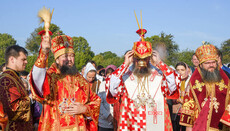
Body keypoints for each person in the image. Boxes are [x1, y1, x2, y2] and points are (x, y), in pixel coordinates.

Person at [106, 28, 180, 130]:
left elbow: (173, 85)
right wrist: (125, 64)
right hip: (131, 123)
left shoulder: (159, 74)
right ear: (133, 58)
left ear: (150, 58)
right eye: (138, 59)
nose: (141, 63)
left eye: (145, 59)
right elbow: (112, 89)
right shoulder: (124, 75)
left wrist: (160, 63)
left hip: (154, 122)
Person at [29, 32, 101, 131]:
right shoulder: (50, 77)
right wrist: (44, 52)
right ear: (57, 60)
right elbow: (37, 78)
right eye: (65, 56)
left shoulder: (81, 80)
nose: (69, 59)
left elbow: (96, 100)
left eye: (72, 56)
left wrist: (85, 109)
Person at [179, 44, 230, 131]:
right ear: (201, 65)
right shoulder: (193, 82)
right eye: (207, 63)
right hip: (200, 126)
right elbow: (188, 108)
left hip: (222, 126)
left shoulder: (225, 80)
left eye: (213, 62)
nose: (211, 65)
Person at [0, 45, 33, 130]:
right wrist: (30, 99)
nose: (26, 62)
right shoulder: (6, 80)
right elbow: (13, 109)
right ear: (12, 59)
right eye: (23, 59)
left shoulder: (15, 78)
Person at [172, 62, 191, 131]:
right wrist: (177, 99)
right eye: (178, 70)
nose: (180, 72)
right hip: (175, 112)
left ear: (186, 70)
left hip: (187, 112)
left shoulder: (191, 81)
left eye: (182, 70)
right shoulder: (172, 82)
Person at [97, 65, 117, 131]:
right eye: (108, 76)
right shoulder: (102, 85)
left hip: (116, 120)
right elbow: (100, 102)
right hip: (104, 121)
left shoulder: (119, 85)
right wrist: (107, 115)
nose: (110, 78)